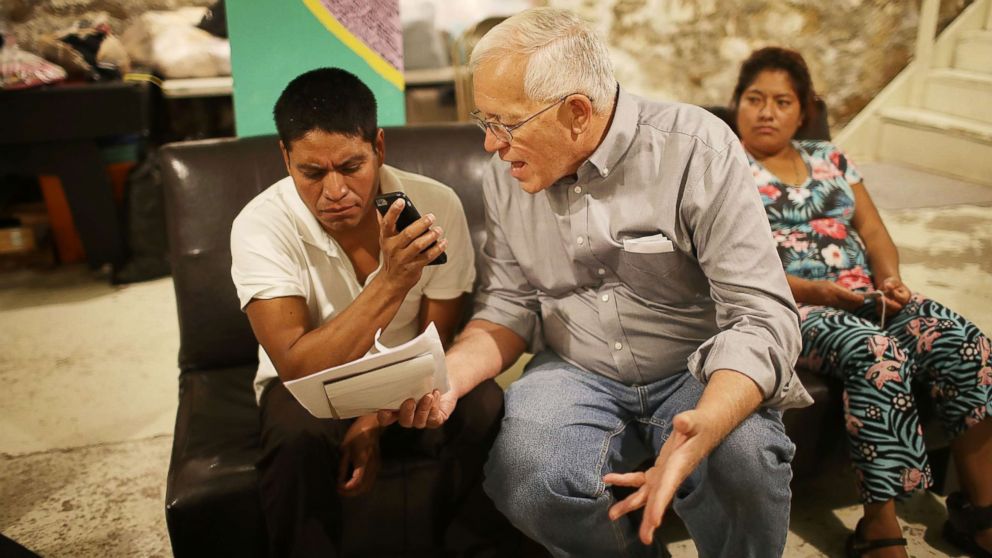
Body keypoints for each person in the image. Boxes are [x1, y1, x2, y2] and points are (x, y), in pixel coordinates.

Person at [381, 8, 811, 558]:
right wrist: (447, 381)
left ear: (577, 113)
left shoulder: (694, 149)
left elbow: (762, 315)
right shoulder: (505, 178)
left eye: (504, 125)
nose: (490, 145)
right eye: (482, 121)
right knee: (528, 479)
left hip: (695, 366)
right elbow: (508, 306)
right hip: (575, 367)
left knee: (742, 459)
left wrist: (706, 421)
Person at [230, 67, 508, 557]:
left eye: (351, 167)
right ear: (285, 158)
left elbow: (435, 339)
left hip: (411, 377)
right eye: (311, 173)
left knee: (484, 406)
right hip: (311, 388)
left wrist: (372, 421)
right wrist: (392, 280)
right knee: (296, 436)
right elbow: (296, 364)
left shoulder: (434, 205)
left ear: (379, 147)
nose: (334, 192)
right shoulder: (260, 226)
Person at [732, 46, 992, 558]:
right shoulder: (725, 168)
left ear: (803, 110)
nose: (766, 111)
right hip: (794, 304)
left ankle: (979, 513)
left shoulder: (831, 158)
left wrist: (891, 279)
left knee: (964, 343)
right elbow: (735, 266)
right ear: (736, 104)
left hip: (868, 295)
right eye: (754, 98)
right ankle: (879, 526)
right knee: (876, 353)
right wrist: (822, 292)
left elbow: (872, 231)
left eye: (782, 101)